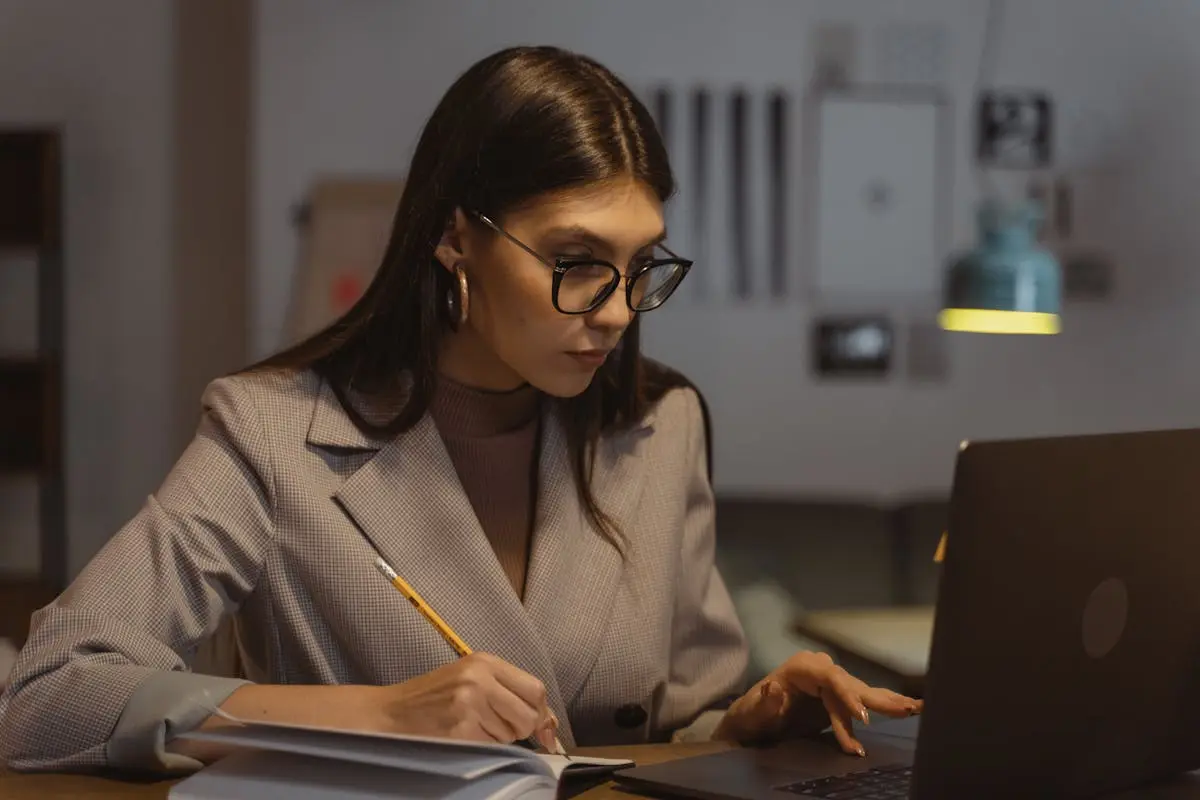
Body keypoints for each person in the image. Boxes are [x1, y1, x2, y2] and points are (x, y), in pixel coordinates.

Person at [0, 45, 920, 775]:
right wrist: (379, 715)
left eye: (643, 266)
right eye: (576, 260)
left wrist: (754, 718)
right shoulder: (272, 432)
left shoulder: (656, 423)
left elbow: (675, 727)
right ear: (454, 239)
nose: (615, 309)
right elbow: (51, 696)